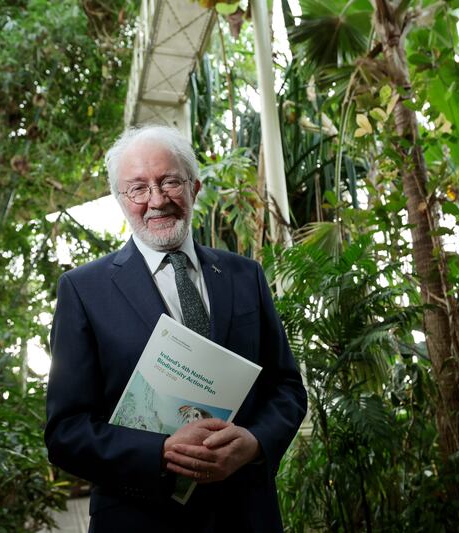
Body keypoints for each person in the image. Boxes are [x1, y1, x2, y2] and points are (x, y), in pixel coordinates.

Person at [44, 124, 307, 532]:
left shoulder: (246, 276)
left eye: (169, 182)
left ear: (195, 187)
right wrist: (161, 452)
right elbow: (65, 432)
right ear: (120, 199)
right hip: (139, 518)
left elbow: (287, 388)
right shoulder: (83, 290)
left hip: (245, 514)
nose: (156, 200)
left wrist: (255, 444)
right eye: (138, 188)